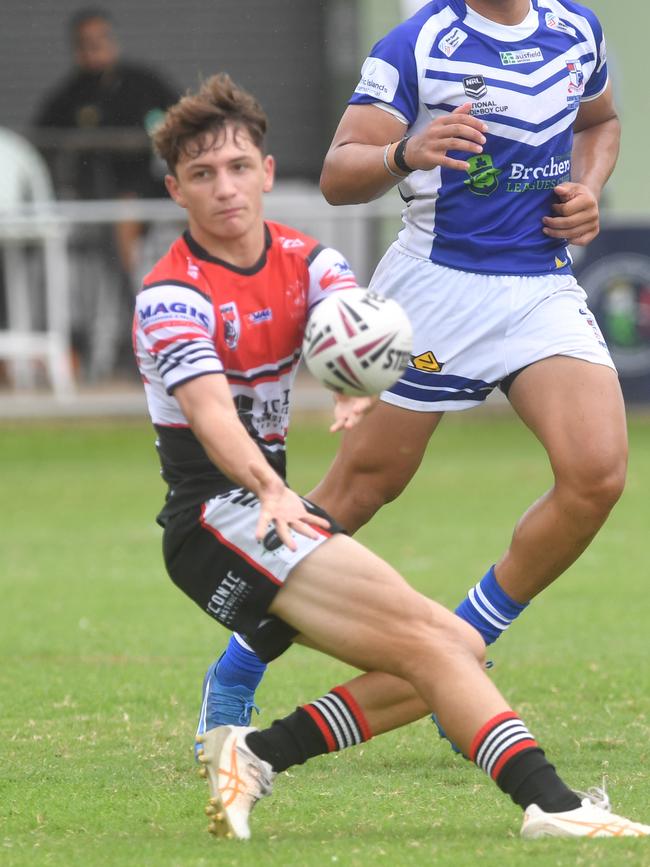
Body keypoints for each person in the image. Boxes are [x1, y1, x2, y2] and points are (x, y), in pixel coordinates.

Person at [133, 72, 648, 841]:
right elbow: (212, 416)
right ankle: (554, 806)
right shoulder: (171, 296)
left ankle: (256, 754)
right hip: (218, 521)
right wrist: (272, 492)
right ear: (177, 190)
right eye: (203, 175)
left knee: (455, 649)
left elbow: (355, 325)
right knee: (440, 645)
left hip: (272, 522)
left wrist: (356, 386)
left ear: (268, 173)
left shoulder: (309, 261)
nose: (226, 188)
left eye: (240, 167)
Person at [198, 0, 628, 750]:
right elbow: (337, 175)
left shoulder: (575, 28)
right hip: (433, 307)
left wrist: (587, 187)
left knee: (597, 472)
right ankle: (237, 664)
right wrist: (408, 150)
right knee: (361, 489)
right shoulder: (419, 43)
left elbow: (600, 122)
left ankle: (462, 646)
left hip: (539, 293)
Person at [34, 7, 179, 378]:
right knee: (114, 220)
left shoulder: (143, 82)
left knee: (126, 212)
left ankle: (139, 313)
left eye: (100, 41)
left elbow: (184, 120)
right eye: (86, 44)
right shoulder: (67, 96)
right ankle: (125, 325)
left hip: (150, 195)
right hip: (90, 204)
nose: (94, 50)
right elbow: (43, 142)